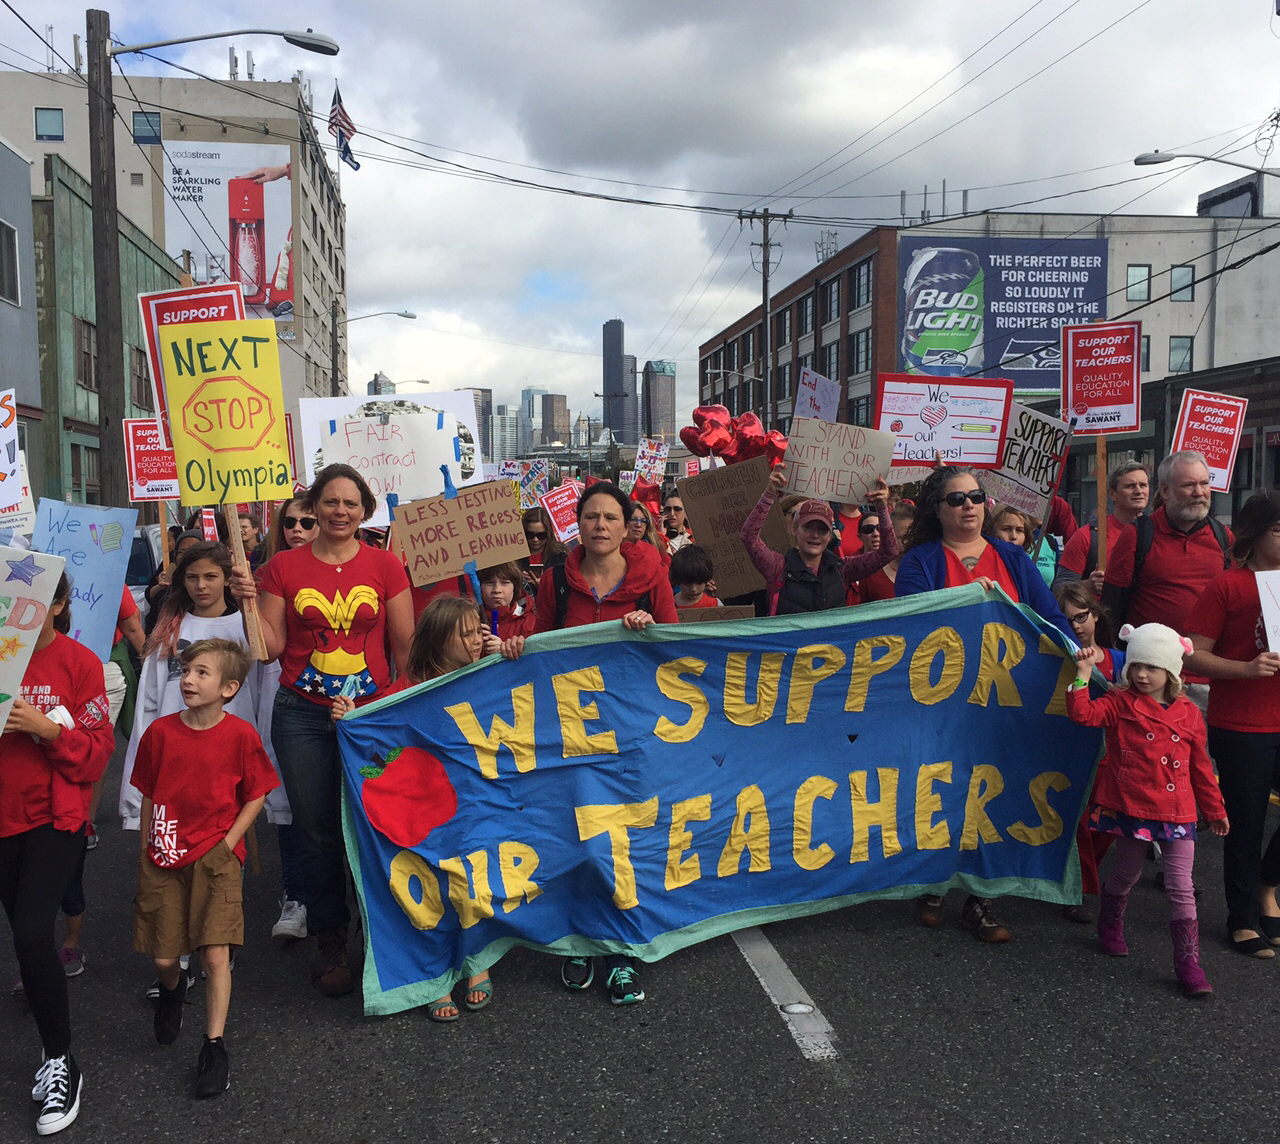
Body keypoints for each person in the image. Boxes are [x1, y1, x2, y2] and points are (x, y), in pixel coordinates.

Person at [231, 463, 413, 996]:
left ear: (365, 511)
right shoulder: (282, 567)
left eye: (351, 503)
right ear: (313, 506)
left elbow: (405, 649)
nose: (340, 512)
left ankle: (383, 934)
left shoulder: (386, 566)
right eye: (330, 502)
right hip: (302, 715)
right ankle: (331, 939)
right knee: (315, 834)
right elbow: (267, 647)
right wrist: (247, 598)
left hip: (369, 714)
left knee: (378, 824)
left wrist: (399, 708)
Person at [501, 481, 677, 1005]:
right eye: (591, 517)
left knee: (624, 837)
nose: (600, 525)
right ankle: (578, 938)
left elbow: (675, 649)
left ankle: (622, 950)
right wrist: (516, 642)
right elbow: (539, 640)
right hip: (568, 729)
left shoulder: (653, 579)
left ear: (627, 527)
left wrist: (648, 628)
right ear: (577, 524)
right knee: (574, 831)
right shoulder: (557, 578)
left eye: (610, 517)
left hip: (630, 728)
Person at [895, 466, 1070, 942]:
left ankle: (982, 899)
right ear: (938, 510)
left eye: (976, 496)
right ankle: (934, 882)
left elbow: (1049, 618)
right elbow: (907, 622)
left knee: (992, 792)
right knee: (945, 788)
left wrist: (1079, 653)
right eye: (956, 499)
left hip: (1003, 701)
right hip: (942, 700)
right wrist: (966, 601)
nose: (969, 505)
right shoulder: (921, 562)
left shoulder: (1013, 558)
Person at [333, 597, 496, 1020]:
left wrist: (512, 652)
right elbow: (376, 720)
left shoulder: (490, 674)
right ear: (438, 639)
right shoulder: (409, 688)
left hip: (476, 804)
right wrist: (351, 716)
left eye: (477, 629)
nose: (475, 640)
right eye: (464, 633)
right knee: (431, 887)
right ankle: (434, 973)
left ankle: (477, 961)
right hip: (425, 812)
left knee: (473, 879)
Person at [130, 638, 279, 1096]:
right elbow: (149, 791)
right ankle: (173, 990)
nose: (189, 680)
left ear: (229, 688)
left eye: (202, 673)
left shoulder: (240, 736)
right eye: (187, 671)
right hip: (165, 854)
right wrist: (147, 846)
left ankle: (213, 1046)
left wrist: (229, 842)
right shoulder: (160, 734)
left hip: (216, 858)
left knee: (215, 954)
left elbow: (258, 791)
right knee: (163, 957)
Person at [121, 541, 280, 969]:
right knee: (173, 857)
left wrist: (252, 602)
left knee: (222, 855)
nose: (201, 585)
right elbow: (149, 703)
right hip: (174, 762)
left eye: (211, 576)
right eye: (192, 577)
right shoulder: (170, 630)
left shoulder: (244, 626)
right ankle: (179, 956)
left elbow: (266, 692)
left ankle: (216, 948)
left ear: (227, 578)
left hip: (227, 762)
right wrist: (134, 797)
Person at [0, 572, 113, 1135]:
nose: (18, 610)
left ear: (61, 604)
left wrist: (47, 729)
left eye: (35, 601)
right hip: (2, 817)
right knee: (22, 936)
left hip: (55, 816)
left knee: (27, 932)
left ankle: (59, 1060)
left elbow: (96, 756)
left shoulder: (78, 664)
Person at [1068, 624, 1228, 996]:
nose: (1141, 674)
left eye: (1152, 668)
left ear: (1171, 671)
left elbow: (1201, 767)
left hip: (1178, 811)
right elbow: (1083, 715)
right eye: (1136, 665)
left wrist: (1214, 809)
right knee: (1126, 872)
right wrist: (1083, 675)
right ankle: (1110, 924)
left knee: (1180, 886)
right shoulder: (1119, 703)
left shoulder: (1189, 714)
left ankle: (1188, 964)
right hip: (1134, 806)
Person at [1185, 490, 1280, 958]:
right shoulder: (1228, 585)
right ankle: (1241, 918)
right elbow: (1194, 653)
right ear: (1256, 535)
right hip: (1244, 722)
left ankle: (1267, 884)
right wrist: (1245, 668)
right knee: (1245, 822)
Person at [1102, 450, 1231, 715]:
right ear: (1166, 490)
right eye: (1188, 485)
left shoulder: (1223, 536)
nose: (1199, 492)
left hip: (1209, 682)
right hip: (1151, 681)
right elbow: (1111, 608)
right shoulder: (1138, 535)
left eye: (1204, 483)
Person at [254, 498, 316, 941]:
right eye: (290, 521)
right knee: (291, 803)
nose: (297, 527)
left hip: (347, 700)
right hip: (285, 695)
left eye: (306, 521)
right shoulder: (268, 573)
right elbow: (265, 646)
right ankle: (296, 894)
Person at [1054, 580, 1126, 923]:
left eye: (1081, 616)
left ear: (1096, 615)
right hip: (1070, 751)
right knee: (1079, 823)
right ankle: (1077, 888)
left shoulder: (1122, 659)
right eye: (1066, 620)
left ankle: (1083, 879)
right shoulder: (1055, 657)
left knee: (1106, 826)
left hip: (1114, 758)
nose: (1076, 626)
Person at [740, 465, 897, 614]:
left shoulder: (843, 569)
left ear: (829, 536)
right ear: (795, 529)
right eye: (808, 527)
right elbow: (748, 537)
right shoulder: (777, 567)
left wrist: (882, 508)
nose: (815, 535)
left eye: (822, 530)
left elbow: (888, 552)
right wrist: (769, 493)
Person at [1054, 461, 1150, 593]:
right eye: (1130, 486)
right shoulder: (1087, 536)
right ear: (1112, 494)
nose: (1138, 491)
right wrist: (1088, 585)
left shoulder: (1160, 533)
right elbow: (1059, 588)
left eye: (1143, 485)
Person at [857, 503, 914, 603]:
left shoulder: (929, 569)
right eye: (901, 537)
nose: (907, 543)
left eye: (911, 537)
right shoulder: (870, 573)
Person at [479, 562, 536, 641]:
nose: (496, 590)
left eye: (504, 583)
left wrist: (502, 649)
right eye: (489, 583)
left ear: (515, 587)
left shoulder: (528, 622)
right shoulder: (471, 622)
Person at [518, 506, 566, 597]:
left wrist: (545, 585)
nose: (535, 540)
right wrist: (517, 577)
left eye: (541, 535)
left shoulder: (560, 557)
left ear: (548, 534)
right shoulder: (514, 557)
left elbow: (565, 589)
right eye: (530, 534)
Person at [670, 545, 721, 609]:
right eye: (687, 583)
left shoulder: (715, 604)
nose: (693, 589)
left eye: (699, 583)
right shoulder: (668, 606)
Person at [627, 502, 671, 566]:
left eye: (643, 521)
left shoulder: (658, 547)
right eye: (633, 519)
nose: (638, 525)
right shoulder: (614, 548)